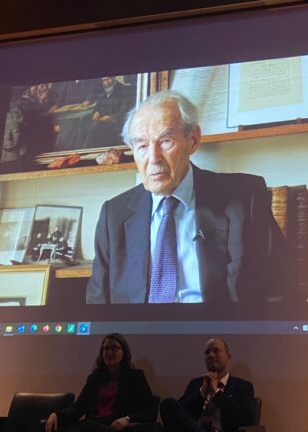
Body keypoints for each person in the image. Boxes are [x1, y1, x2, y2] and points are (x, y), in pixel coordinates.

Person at [85, 90, 285, 304]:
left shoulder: (245, 198)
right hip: (139, 335)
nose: (153, 158)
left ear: (193, 140)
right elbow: (97, 304)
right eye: (142, 146)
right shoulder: (114, 214)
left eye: (165, 141)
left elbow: (279, 288)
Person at [45, 333, 157, 432]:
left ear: (124, 352)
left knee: (88, 426)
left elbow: (149, 411)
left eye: (114, 348)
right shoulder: (95, 378)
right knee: (55, 425)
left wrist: (127, 419)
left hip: (115, 426)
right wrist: (57, 415)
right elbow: (78, 408)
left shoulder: (135, 377)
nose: (109, 352)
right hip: (93, 423)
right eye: (106, 349)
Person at [160, 338, 254, 432]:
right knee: (168, 404)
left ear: (228, 356)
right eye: (207, 352)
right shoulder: (196, 384)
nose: (211, 355)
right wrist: (201, 393)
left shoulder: (242, 386)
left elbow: (245, 420)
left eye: (216, 350)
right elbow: (181, 416)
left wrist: (217, 394)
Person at [84, 76, 134, 149]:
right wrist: (96, 113)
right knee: (84, 122)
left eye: (109, 79)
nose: (107, 82)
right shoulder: (103, 91)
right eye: (104, 80)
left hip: (116, 124)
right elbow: (97, 107)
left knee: (95, 126)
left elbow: (124, 113)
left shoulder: (123, 90)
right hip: (102, 121)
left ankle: (87, 150)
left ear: (114, 78)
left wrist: (111, 118)